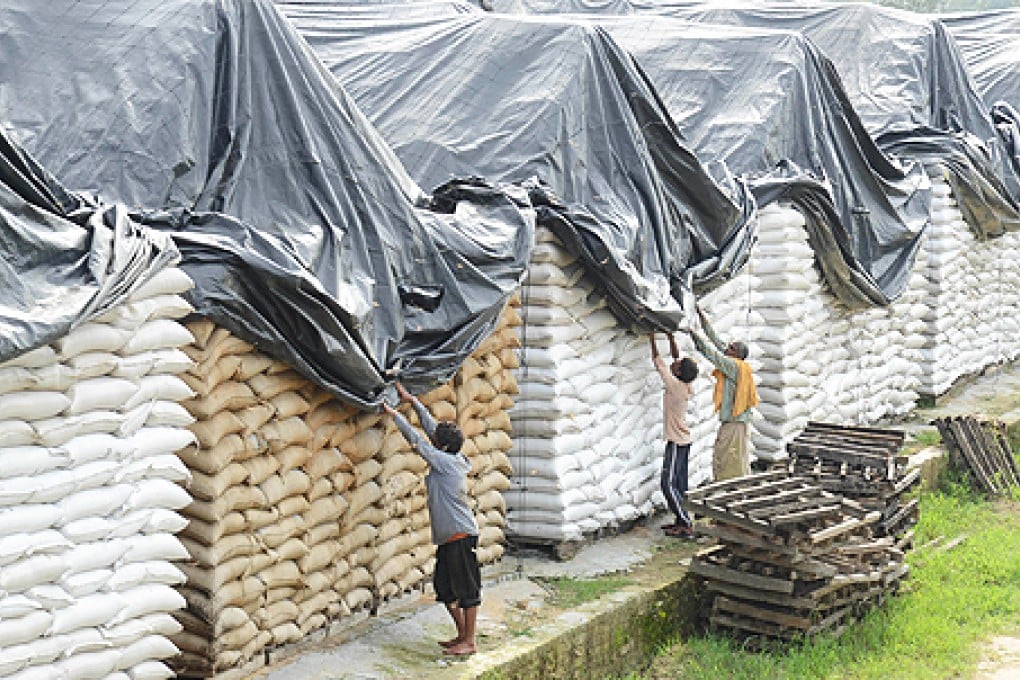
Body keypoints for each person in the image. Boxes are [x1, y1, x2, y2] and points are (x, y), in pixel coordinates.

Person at [382, 382, 480, 656]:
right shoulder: (451, 454)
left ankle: (469, 641)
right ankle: (462, 635)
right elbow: (429, 430)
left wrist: (394, 414)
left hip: (461, 536)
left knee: (467, 591)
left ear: (442, 447)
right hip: (449, 539)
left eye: (437, 440)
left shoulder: (446, 463)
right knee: (445, 590)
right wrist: (411, 400)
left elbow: (418, 443)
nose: (433, 438)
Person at [687, 307, 759, 481]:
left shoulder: (734, 366)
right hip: (737, 422)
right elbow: (718, 343)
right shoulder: (737, 365)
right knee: (735, 457)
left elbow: (713, 355)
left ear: (737, 355)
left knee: (727, 457)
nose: (727, 348)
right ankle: (737, 485)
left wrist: (692, 334)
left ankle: (730, 487)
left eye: (731, 348)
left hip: (734, 422)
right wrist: (702, 320)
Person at [649, 333, 699, 539]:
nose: (674, 364)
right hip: (683, 440)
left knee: (667, 484)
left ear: (678, 373)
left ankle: (686, 524)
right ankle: (680, 520)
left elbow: (658, 362)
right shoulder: (684, 383)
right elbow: (676, 361)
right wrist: (671, 339)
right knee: (679, 484)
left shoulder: (674, 386)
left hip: (677, 442)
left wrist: (651, 339)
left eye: (677, 366)